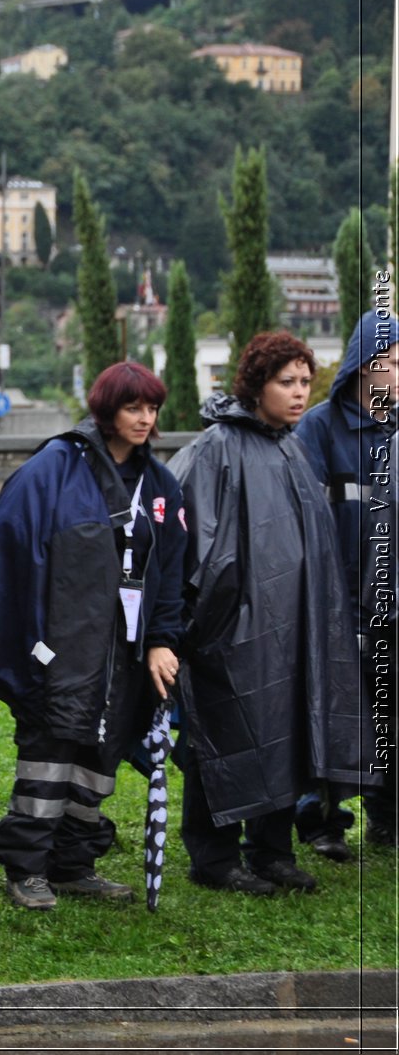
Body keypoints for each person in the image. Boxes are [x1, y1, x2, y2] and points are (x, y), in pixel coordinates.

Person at [0, 361, 187, 910]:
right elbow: (11, 549)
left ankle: (73, 864)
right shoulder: (55, 467)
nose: (145, 419)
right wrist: (31, 640)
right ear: (106, 410)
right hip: (62, 645)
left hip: (127, 647)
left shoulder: (163, 485)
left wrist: (161, 639)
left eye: (152, 408)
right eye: (133, 408)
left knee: (100, 757)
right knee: (50, 750)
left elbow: (170, 572)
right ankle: (26, 868)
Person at [168, 331, 373, 896]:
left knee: (284, 731)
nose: (300, 392)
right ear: (257, 384)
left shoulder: (290, 446)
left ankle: (271, 850)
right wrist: (207, 622)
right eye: (287, 382)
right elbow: (192, 540)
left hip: (295, 625)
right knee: (226, 731)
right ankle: (212, 857)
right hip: (235, 629)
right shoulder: (217, 448)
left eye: (307, 381)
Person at [291, 309, 396, 856]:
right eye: (394, 364)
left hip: (391, 605)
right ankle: (321, 821)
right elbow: (305, 518)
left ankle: (388, 818)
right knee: (333, 712)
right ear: (365, 366)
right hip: (340, 602)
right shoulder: (319, 429)